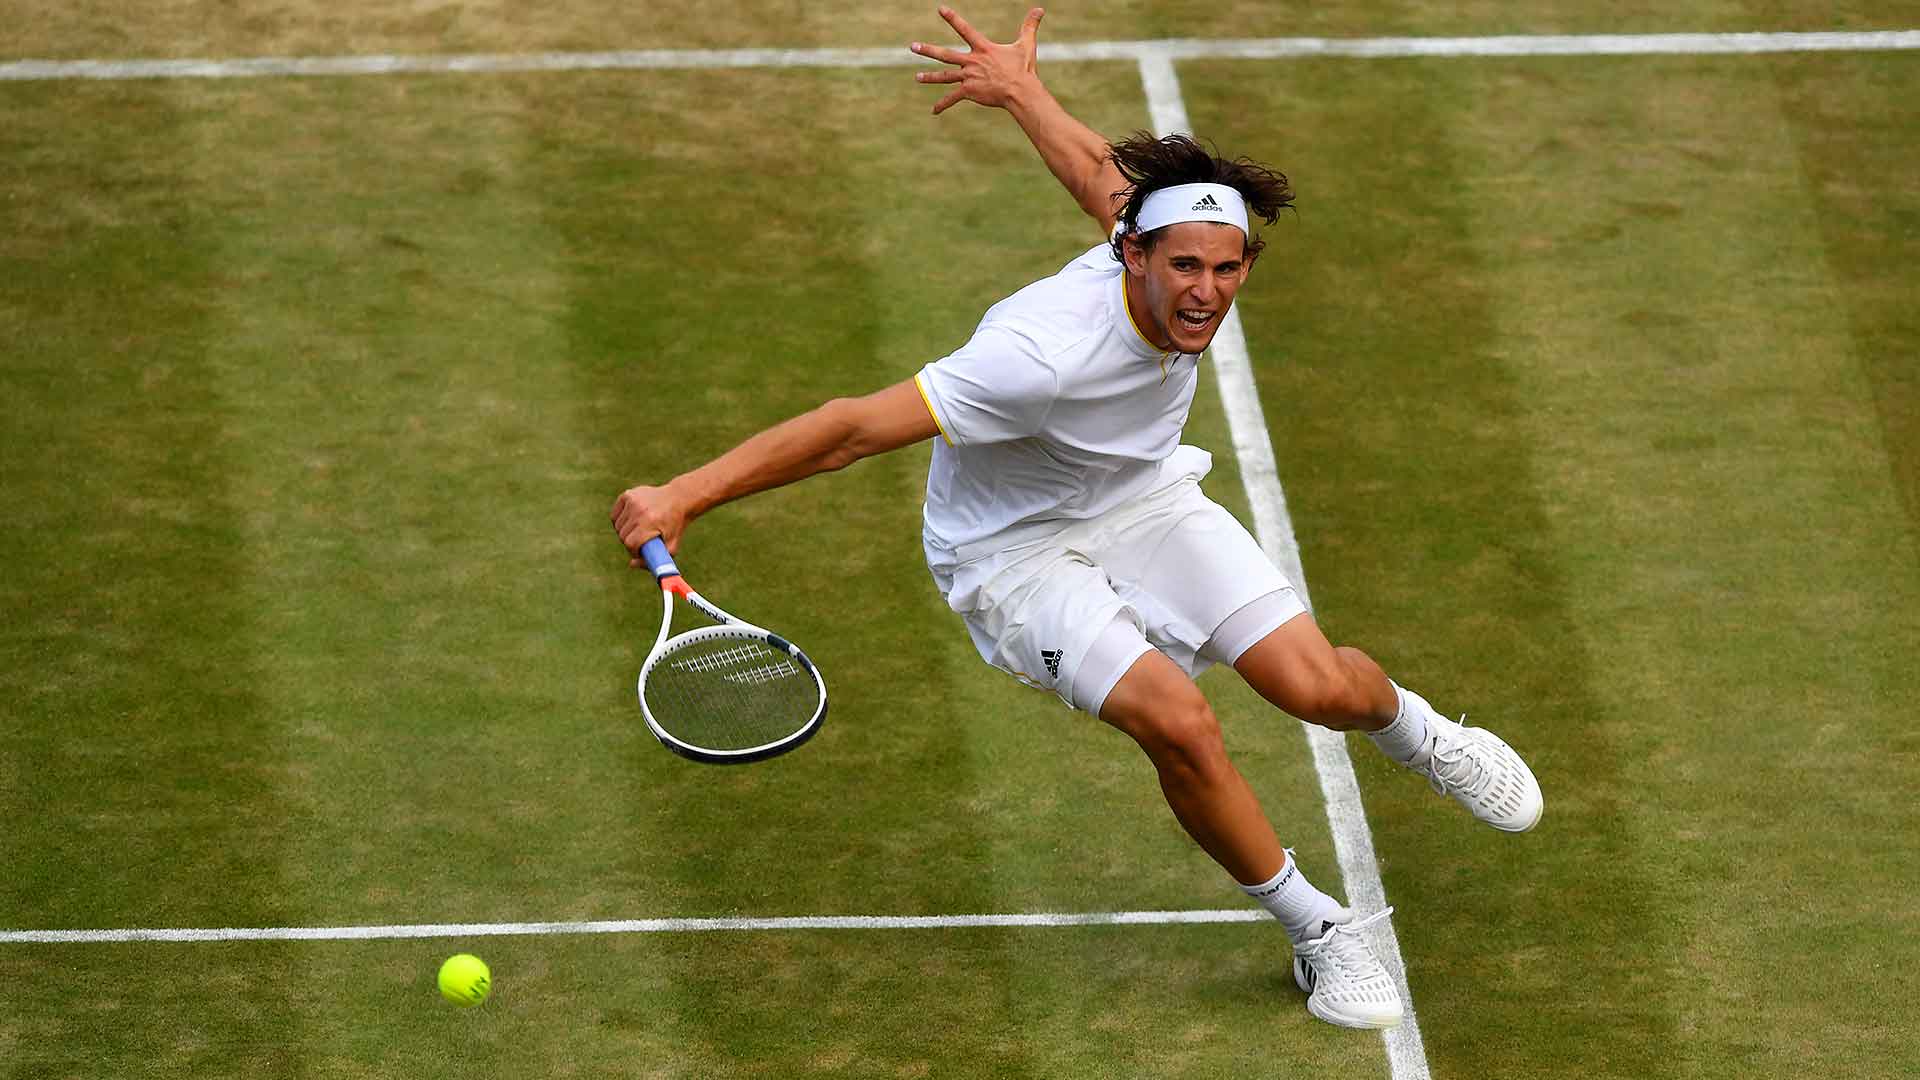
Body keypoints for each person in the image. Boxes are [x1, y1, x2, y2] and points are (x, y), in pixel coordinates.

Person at [611, 5, 1543, 1031]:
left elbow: (1098, 173)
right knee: (1177, 720)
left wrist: (1021, 92)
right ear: (1135, 260)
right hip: (1011, 554)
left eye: (1226, 269)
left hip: (1142, 498)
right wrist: (684, 492)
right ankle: (1318, 928)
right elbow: (847, 430)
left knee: (1318, 687)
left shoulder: (1149, 236)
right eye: (1184, 267)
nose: (1206, 290)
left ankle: (1420, 735)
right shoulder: (1037, 357)